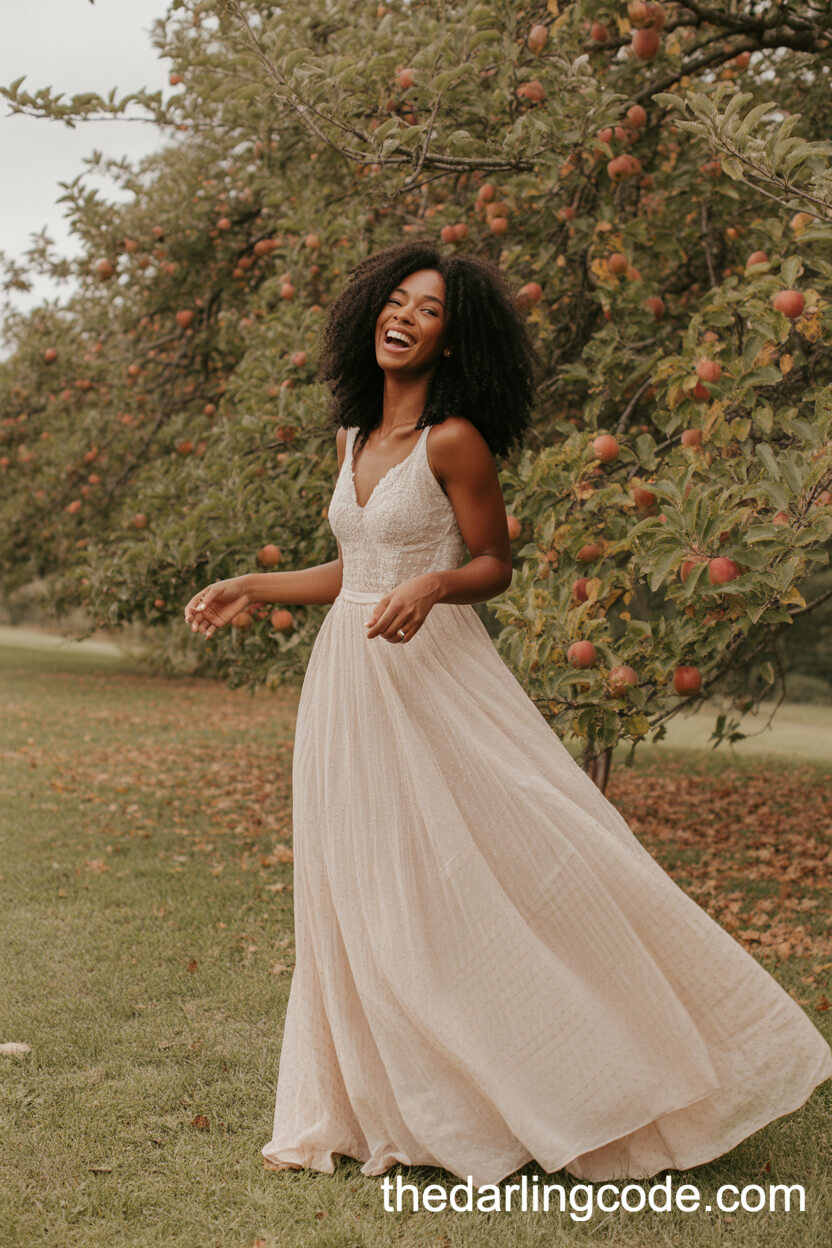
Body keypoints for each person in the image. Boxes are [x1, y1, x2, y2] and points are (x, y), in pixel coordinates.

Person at [183, 240, 832, 1187]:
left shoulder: (455, 440)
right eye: (395, 300)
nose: (404, 316)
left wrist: (437, 582)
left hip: (437, 678)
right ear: (372, 313)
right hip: (350, 689)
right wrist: (256, 584)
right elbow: (355, 573)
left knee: (505, 864)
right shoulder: (353, 441)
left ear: (454, 339)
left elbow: (493, 563)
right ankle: (402, 1106)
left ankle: (614, 1073)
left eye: (430, 309)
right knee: (365, 889)